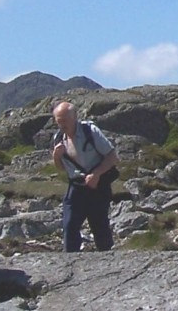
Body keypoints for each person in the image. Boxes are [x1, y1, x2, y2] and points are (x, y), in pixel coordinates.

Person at [51, 101, 119, 252]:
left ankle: (107, 261)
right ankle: (69, 263)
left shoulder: (90, 131)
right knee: (69, 226)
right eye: (58, 120)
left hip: (98, 186)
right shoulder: (58, 138)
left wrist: (96, 174)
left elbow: (113, 157)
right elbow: (61, 169)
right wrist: (56, 157)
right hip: (75, 187)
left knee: (99, 226)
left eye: (65, 120)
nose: (62, 124)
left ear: (74, 117)